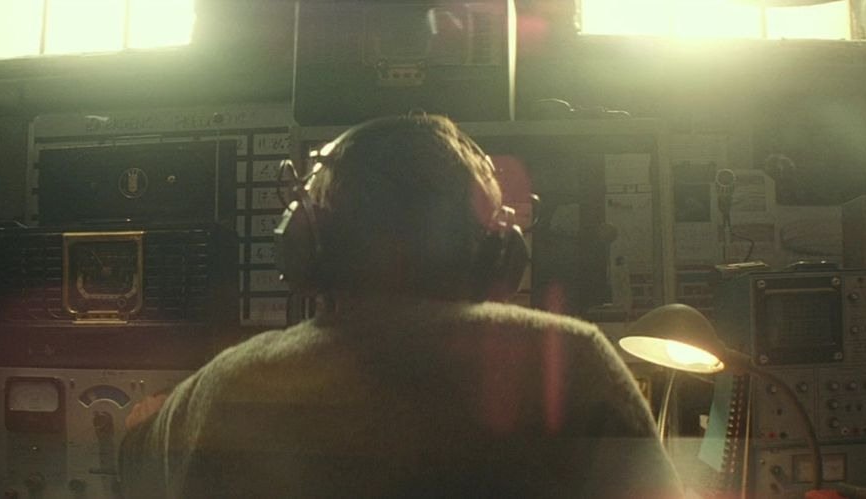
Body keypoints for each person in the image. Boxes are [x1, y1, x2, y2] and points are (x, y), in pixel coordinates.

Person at [118, 114, 684, 498]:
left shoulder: (230, 386)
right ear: (499, 255)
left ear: (308, 245)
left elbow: (133, 453)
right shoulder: (566, 361)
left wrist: (157, 413)